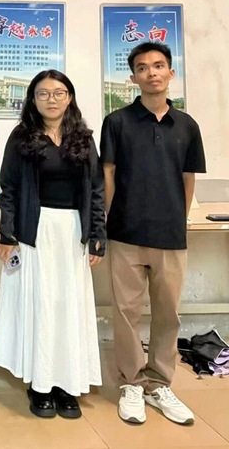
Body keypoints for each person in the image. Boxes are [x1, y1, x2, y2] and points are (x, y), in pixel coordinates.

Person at [0, 70, 105, 419]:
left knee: (68, 306)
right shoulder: (21, 137)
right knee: (40, 304)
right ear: (33, 99)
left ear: (69, 98)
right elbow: (8, 188)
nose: (51, 99)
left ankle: (67, 385)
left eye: (58, 93)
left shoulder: (83, 138)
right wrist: (8, 234)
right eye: (43, 93)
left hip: (72, 233)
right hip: (34, 232)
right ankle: (40, 385)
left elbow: (96, 189)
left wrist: (97, 235)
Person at [102, 42, 206, 426]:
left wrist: (178, 218)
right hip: (125, 233)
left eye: (159, 66)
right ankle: (131, 383)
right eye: (143, 68)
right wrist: (107, 221)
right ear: (133, 77)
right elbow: (108, 174)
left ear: (170, 73)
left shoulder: (187, 126)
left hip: (170, 237)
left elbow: (188, 178)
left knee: (167, 314)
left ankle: (159, 384)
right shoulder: (117, 122)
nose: (152, 73)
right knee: (126, 313)